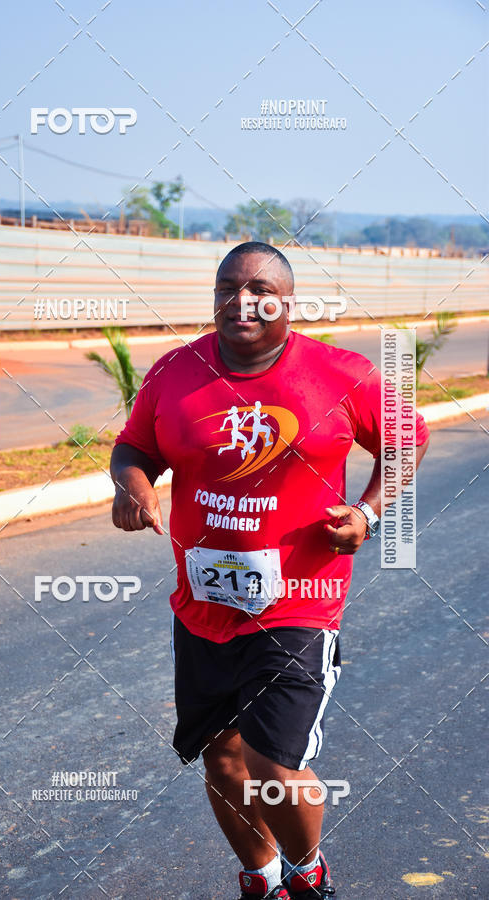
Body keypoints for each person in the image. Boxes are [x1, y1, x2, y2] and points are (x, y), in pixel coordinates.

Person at [110, 241, 429, 899]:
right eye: (228, 287)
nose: (241, 300)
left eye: (259, 289)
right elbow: (134, 446)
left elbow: (407, 437)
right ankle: (260, 879)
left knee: (273, 765)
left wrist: (368, 511)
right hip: (203, 606)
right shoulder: (177, 371)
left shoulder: (341, 374)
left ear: (287, 301)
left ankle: (306, 870)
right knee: (223, 760)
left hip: (299, 603)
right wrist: (132, 486)